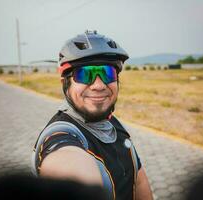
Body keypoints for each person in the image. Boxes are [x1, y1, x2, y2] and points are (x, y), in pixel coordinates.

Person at [32, 30, 153, 200]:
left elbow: (138, 182)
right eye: (84, 74)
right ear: (65, 84)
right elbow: (67, 163)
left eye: (107, 73)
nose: (98, 85)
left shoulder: (113, 125)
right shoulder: (60, 135)